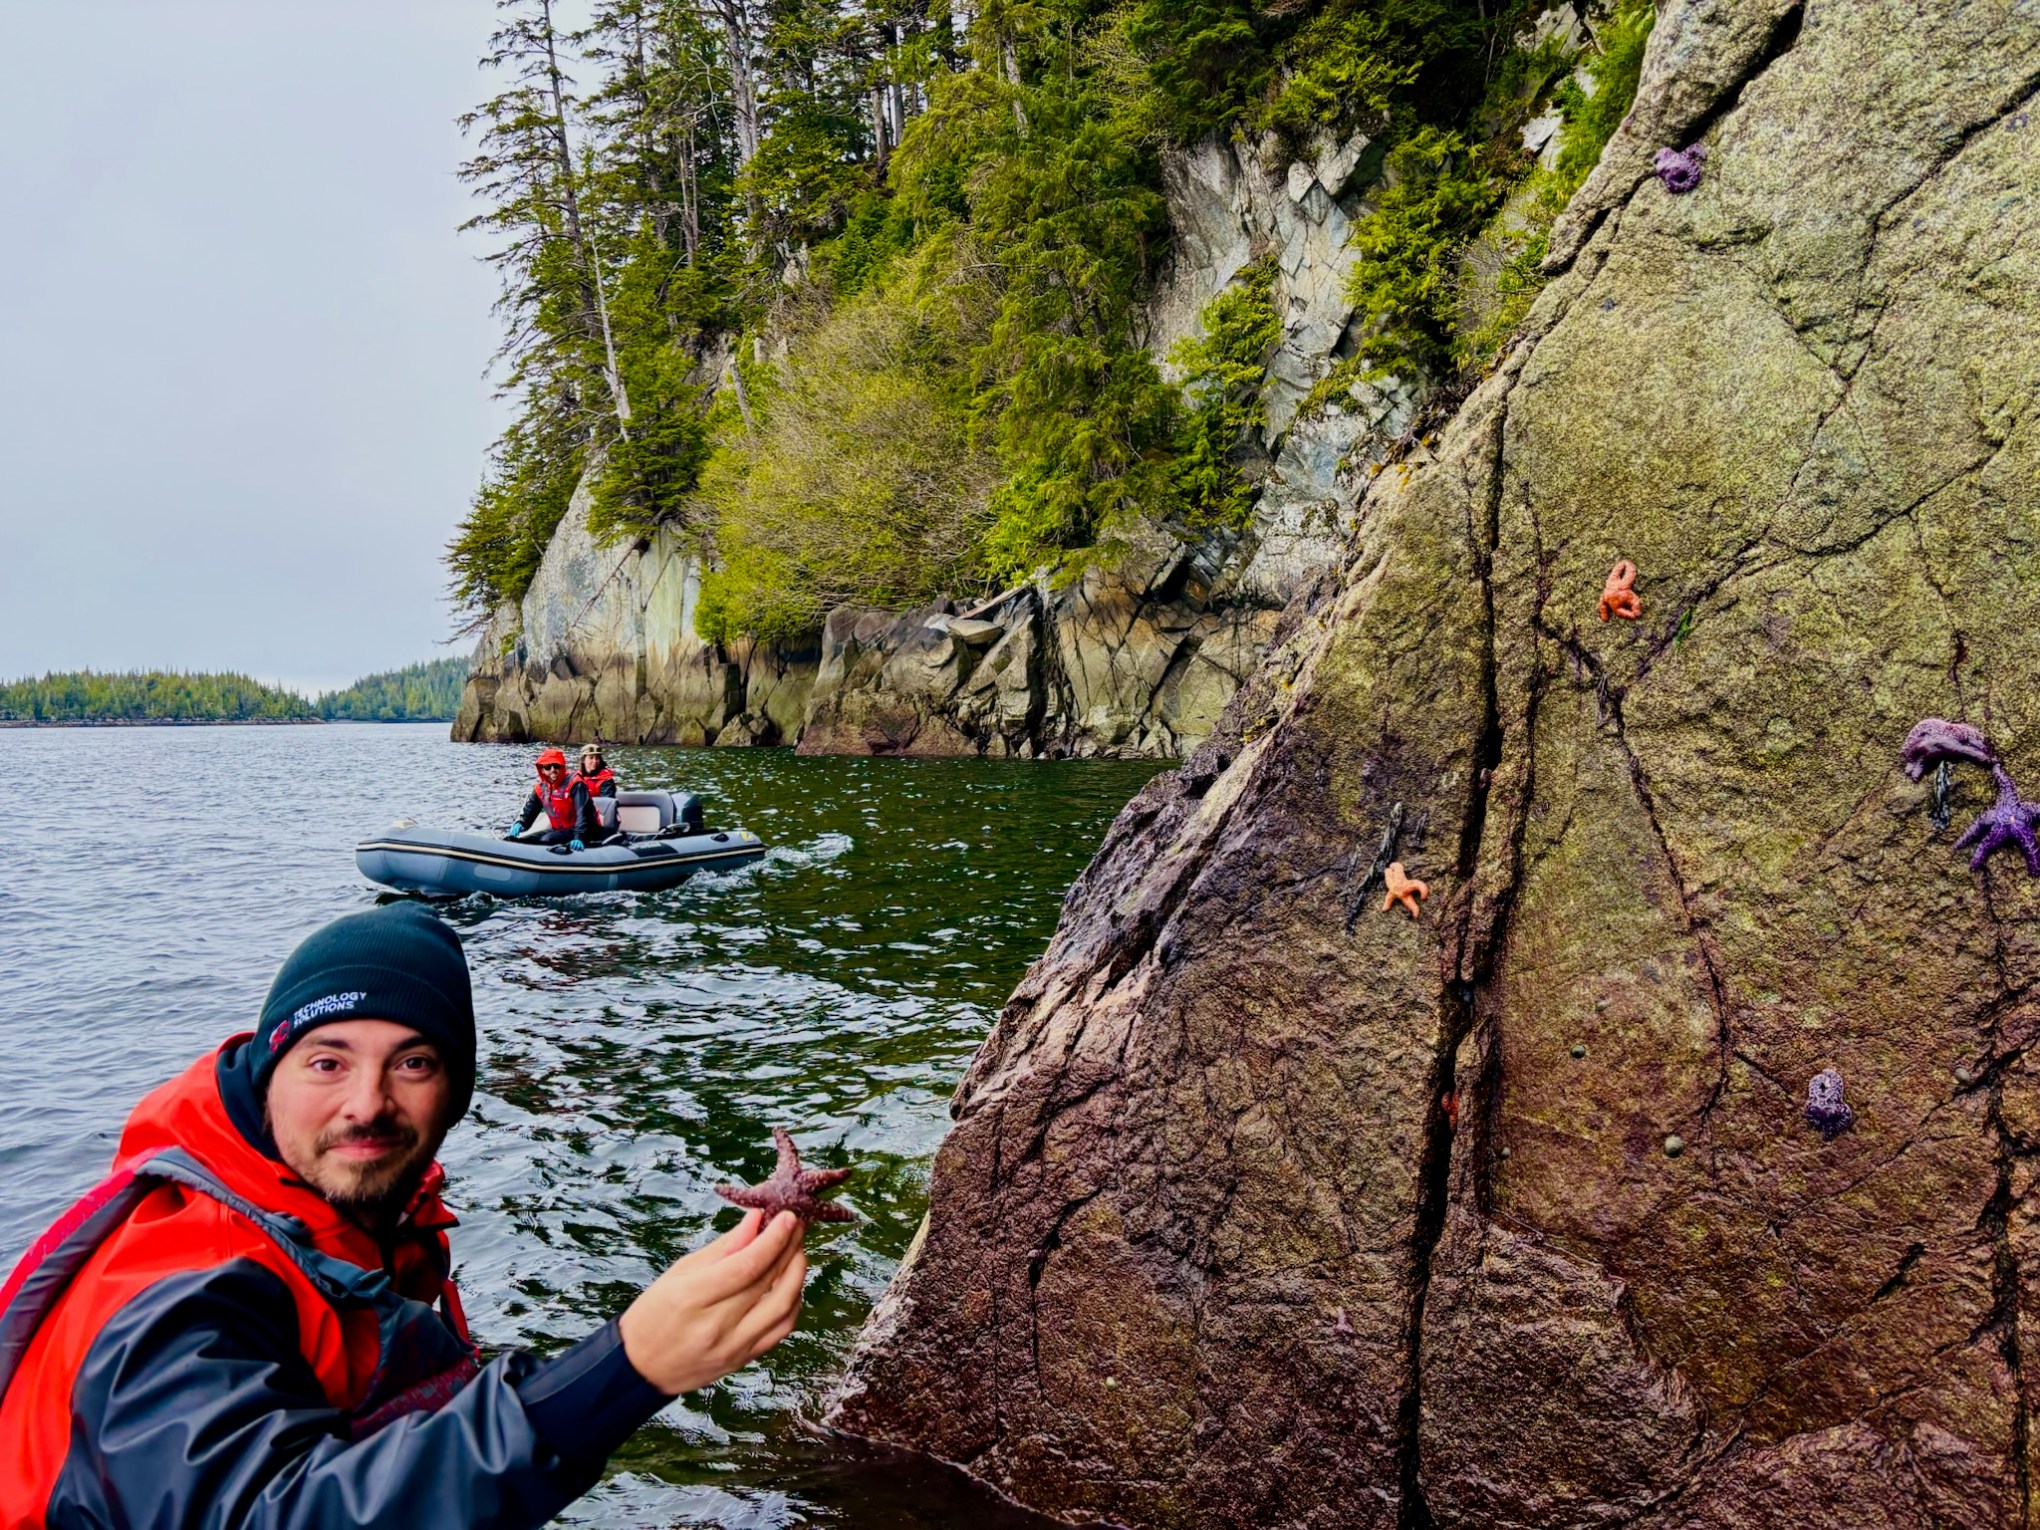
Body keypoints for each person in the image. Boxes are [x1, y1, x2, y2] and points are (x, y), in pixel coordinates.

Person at [0, 904, 809, 1530]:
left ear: (454, 1092)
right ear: (265, 1070)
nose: (368, 1104)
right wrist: (625, 1371)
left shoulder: (343, 1206)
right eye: (328, 1061)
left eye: (413, 1063)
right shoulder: (184, 1279)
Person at [508, 745, 601, 849]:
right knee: (520, 841)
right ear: (542, 770)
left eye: (556, 766)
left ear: (561, 766)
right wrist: (521, 823)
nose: (553, 770)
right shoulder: (540, 788)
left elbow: (582, 813)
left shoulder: (576, 784)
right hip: (559, 830)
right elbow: (530, 811)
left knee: (547, 840)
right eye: (548, 767)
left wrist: (579, 836)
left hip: (585, 830)